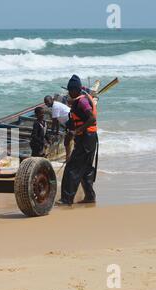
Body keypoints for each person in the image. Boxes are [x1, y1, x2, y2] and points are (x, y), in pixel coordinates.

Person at [58, 75, 98, 205]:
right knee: (85, 168)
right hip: (90, 138)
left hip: (86, 138)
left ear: (76, 90)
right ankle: (90, 197)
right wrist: (70, 130)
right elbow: (75, 120)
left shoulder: (82, 102)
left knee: (72, 168)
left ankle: (66, 199)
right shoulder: (81, 99)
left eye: (70, 90)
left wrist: (77, 131)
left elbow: (91, 118)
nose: (69, 93)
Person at [44, 95, 72, 161]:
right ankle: (69, 157)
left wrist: (52, 133)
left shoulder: (55, 107)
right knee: (68, 140)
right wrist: (56, 132)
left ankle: (68, 158)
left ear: (52, 100)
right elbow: (56, 122)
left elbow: (54, 122)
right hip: (68, 122)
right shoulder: (55, 105)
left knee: (67, 141)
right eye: (45, 102)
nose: (46, 104)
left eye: (47, 102)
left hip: (70, 121)